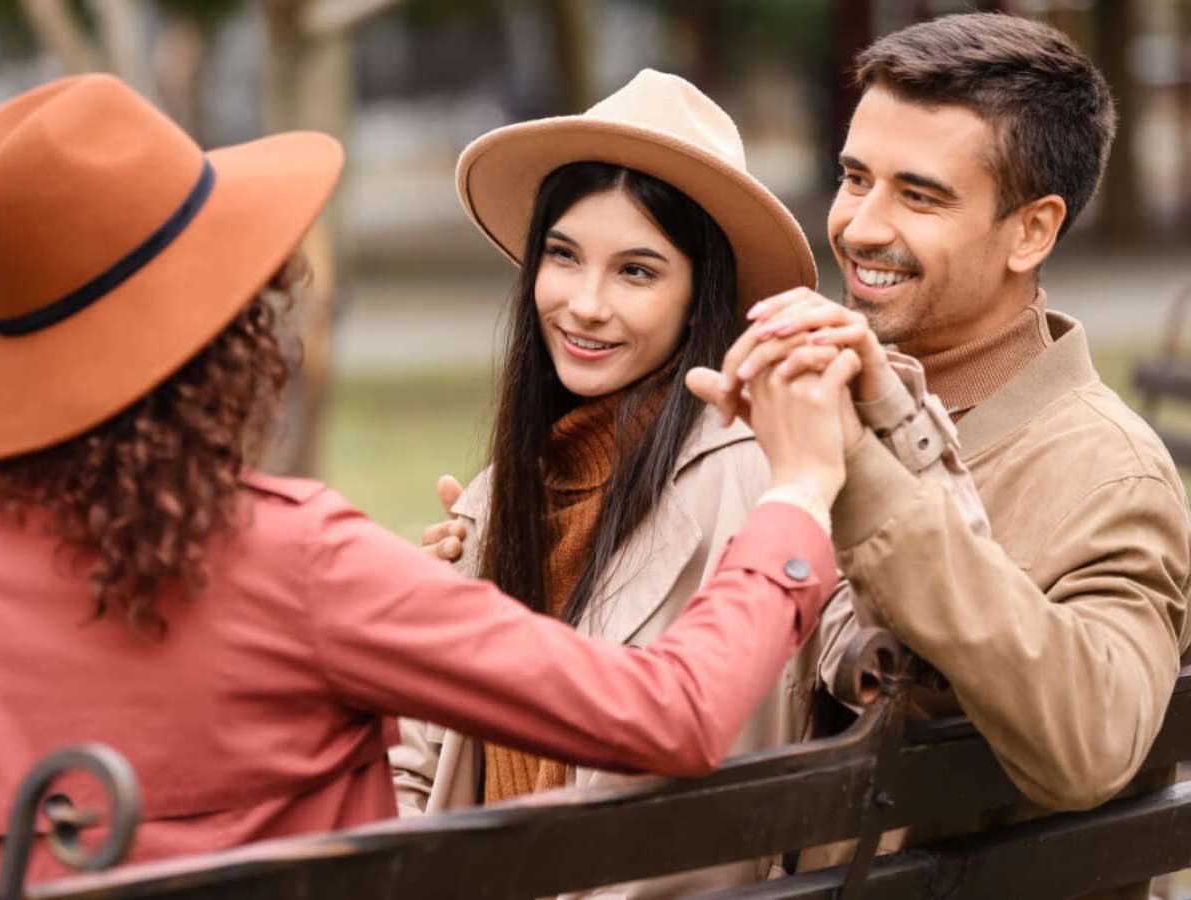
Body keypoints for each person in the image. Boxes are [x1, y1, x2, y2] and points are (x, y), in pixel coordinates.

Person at [0, 73, 855, 886]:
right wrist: (799, 498)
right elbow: (673, 713)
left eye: (635, 269)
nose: (588, 303)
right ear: (225, 346)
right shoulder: (299, 562)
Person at [394, 69, 981, 897]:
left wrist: (888, 409)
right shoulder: (501, 497)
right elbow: (416, 770)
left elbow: (936, 664)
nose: (584, 304)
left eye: (636, 271)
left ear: (697, 293)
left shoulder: (772, 476)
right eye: (563, 256)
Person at [694, 13, 1191, 898]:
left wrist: (860, 472)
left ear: (1031, 231)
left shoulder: (1109, 472)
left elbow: (1091, 744)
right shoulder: (801, 393)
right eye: (854, 178)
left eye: (919, 197)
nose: (858, 227)